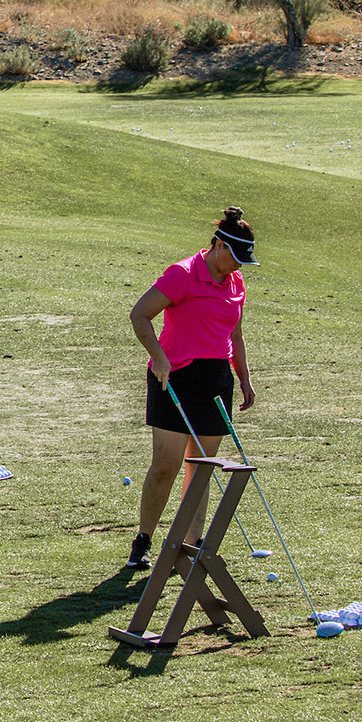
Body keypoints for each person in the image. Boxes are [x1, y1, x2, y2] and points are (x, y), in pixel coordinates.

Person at [125, 207, 260, 569]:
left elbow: (235, 334)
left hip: (215, 380)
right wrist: (158, 357)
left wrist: (244, 377)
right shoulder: (182, 274)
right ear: (219, 246)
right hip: (174, 378)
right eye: (236, 256)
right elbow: (140, 314)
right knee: (165, 466)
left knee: (201, 468)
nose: (240, 266)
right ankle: (144, 539)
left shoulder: (236, 283)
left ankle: (190, 543)